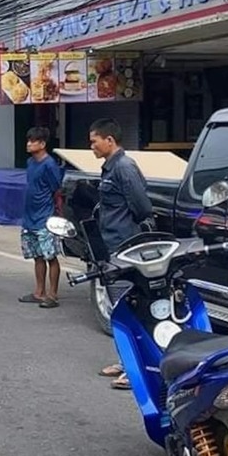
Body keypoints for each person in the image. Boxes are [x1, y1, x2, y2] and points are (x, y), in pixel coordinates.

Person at [88, 118, 153, 391]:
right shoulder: (111, 168)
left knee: (129, 309)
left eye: (94, 141)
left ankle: (136, 368)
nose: (91, 146)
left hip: (125, 247)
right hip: (112, 246)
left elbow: (141, 207)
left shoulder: (124, 167)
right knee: (119, 309)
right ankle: (124, 360)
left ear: (109, 141)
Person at [19, 127, 64, 309]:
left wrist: (55, 214)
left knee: (50, 256)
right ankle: (39, 292)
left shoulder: (50, 165)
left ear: (42, 144)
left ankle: (52, 294)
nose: (29, 143)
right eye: (28, 140)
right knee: (37, 256)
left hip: (45, 217)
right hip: (29, 217)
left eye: (33, 141)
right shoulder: (30, 162)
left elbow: (57, 189)